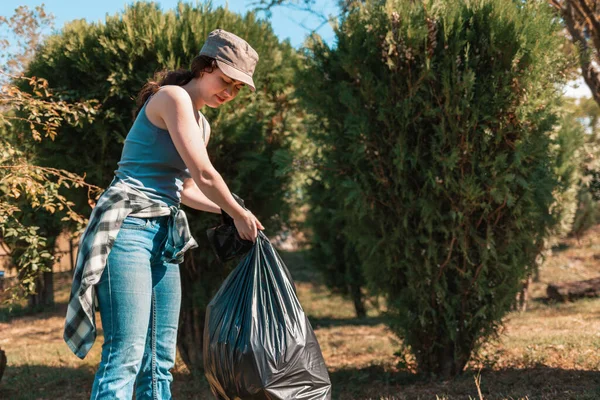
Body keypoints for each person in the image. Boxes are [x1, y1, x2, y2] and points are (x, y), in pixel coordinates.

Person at [63, 29, 264, 399]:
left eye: (237, 89)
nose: (229, 93)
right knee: (125, 354)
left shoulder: (202, 124)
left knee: (159, 360)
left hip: (165, 235)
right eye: (226, 81)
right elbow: (205, 174)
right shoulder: (172, 98)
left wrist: (239, 213)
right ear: (207, 66)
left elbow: (187, 189)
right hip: (128, 228)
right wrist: (236, 211)